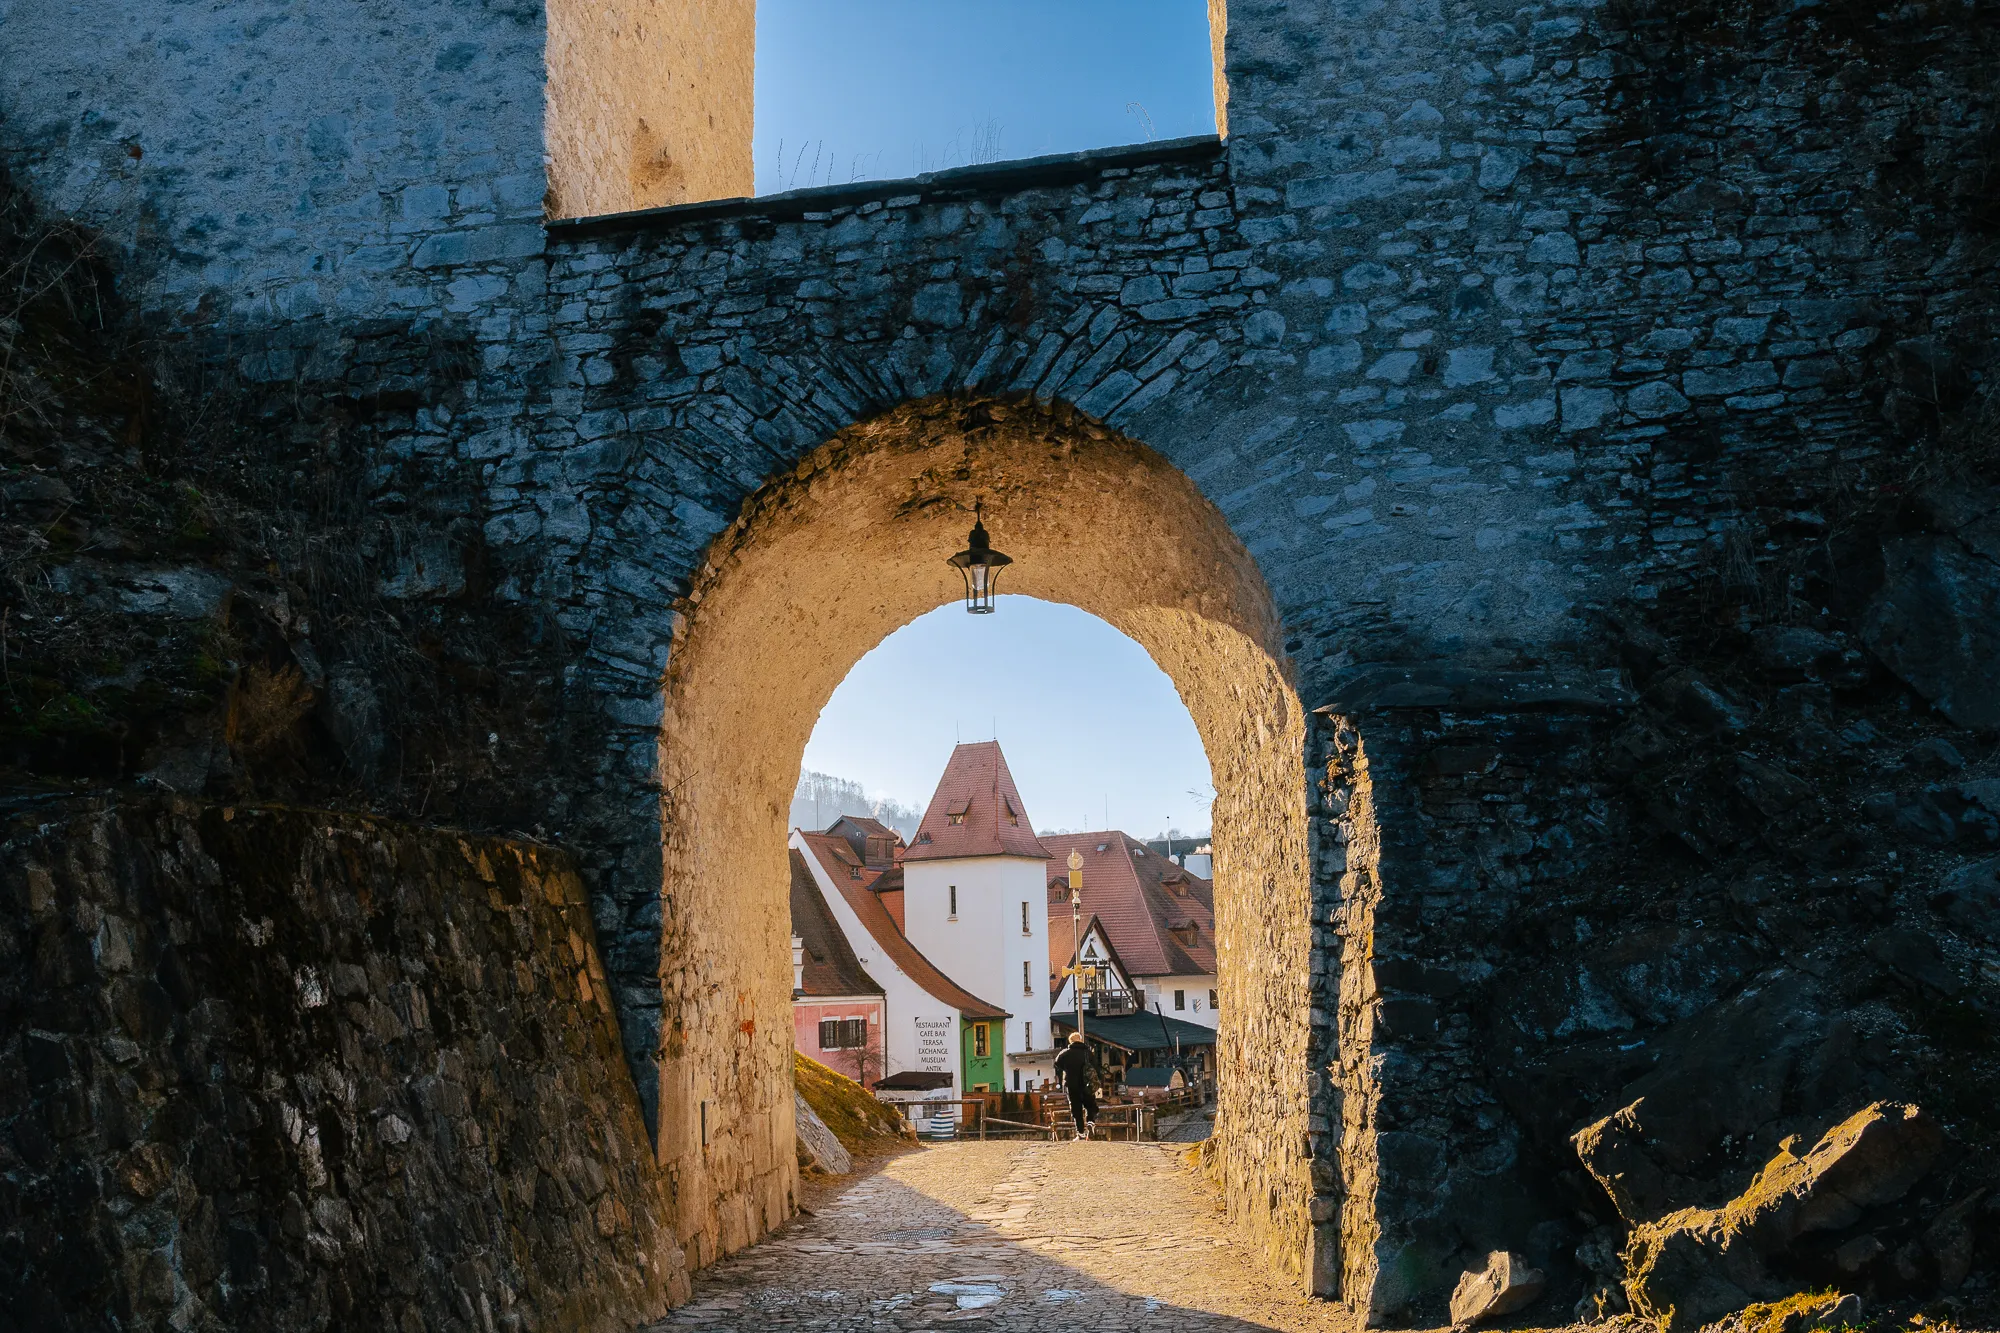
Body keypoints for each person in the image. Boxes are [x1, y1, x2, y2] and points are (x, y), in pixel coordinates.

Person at [1053, 1031, 1096, 1141]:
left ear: (1070, 1041)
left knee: (1076, 1108)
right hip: (1087, 1084)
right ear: (1081, 1040)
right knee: (1090, 1105)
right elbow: (1096, 1067)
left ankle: (1080, 1133)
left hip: (1072, 1084)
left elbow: (1056, 1063)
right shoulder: (1088, 1053)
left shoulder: (1065, 1053)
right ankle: (1090, 1122)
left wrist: (1066, 1070)